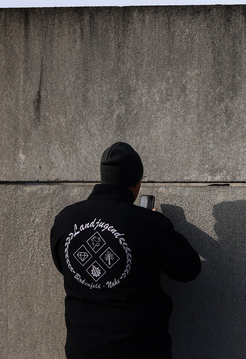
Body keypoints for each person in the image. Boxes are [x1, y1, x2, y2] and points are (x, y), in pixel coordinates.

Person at [50, 142, 201, 358]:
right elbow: (189, 269)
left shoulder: (65, 219)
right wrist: (158, 225)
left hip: (82, 349)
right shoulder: (148, 224)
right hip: (138, 350)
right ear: (136, 183)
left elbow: (62, 265)